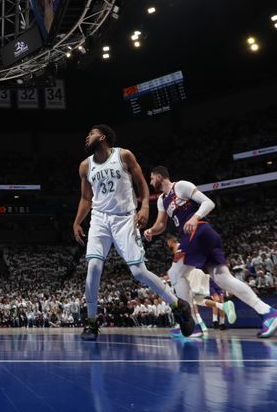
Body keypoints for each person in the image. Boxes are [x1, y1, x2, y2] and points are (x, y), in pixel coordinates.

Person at [73, 125, 193, 341]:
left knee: (138, 272)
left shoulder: (124, 155)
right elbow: (85, 199)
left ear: (102, 136)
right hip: (99, 219)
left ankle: (178, 305)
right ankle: (91, 322)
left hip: (124, 218)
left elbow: (140, 183)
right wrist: (77, 222)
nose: (87, 136)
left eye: (91, 133)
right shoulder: (85, 166)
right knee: (93, 267)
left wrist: (145, 206)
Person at [145, 166, 277, 339]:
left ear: (159, 176)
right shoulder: (161, 200)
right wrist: (151, 230)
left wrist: (195, 217)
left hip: (198, 231)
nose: (150, 182)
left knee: (174, 273)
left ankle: (192, 325)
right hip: (196, 236)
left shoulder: (180, 186)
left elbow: (208, 203)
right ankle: (268, 312)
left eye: (151, 178)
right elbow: (161, 225)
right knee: (223, 279)